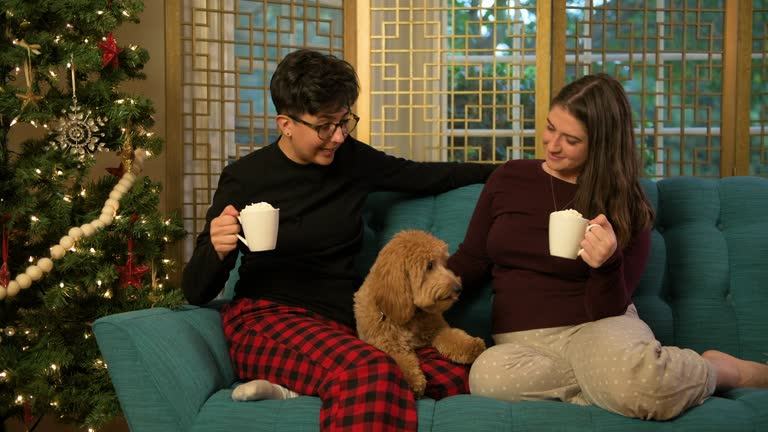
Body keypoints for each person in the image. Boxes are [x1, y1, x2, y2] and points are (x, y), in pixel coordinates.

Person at [181, 49, 498, 432]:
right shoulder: (245, 178)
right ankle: (310, 384)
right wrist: (217, 248)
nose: (338, 136)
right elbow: (195, 290)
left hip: (343, 325)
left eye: (345, 121)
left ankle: (302, 389)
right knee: (372, 372)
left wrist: (514, 173)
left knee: (454, 374)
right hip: (267, 318)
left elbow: (427, 175)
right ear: (286, 123)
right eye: (325, 126)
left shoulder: (352, 159)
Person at [446, 73, 768, 420]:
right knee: (486, 377)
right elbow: (472, 259)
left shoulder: (624, 202)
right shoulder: (509, 178)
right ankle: (626, 382)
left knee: (642, 387)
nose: (552, 145)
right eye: (550, 127)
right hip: (522, 343)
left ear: (600, 145)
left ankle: (718, 371)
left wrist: (608, 263)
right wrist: (417, 296)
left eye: (571, 140)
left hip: (597, 329)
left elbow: (609, 307)